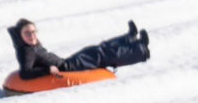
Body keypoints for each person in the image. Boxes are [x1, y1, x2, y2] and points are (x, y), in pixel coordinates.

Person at [8, 16, 150, 80]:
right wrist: (47, 70)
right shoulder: (26, 52)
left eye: (34, 31)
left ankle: (129, 38)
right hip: (69, 69)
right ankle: (140, 50)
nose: (32, 35)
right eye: (27, 33)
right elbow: (25, 73)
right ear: (20, 35)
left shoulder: (30, 45)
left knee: (98, 48)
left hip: (67, 63)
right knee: (100, 54)